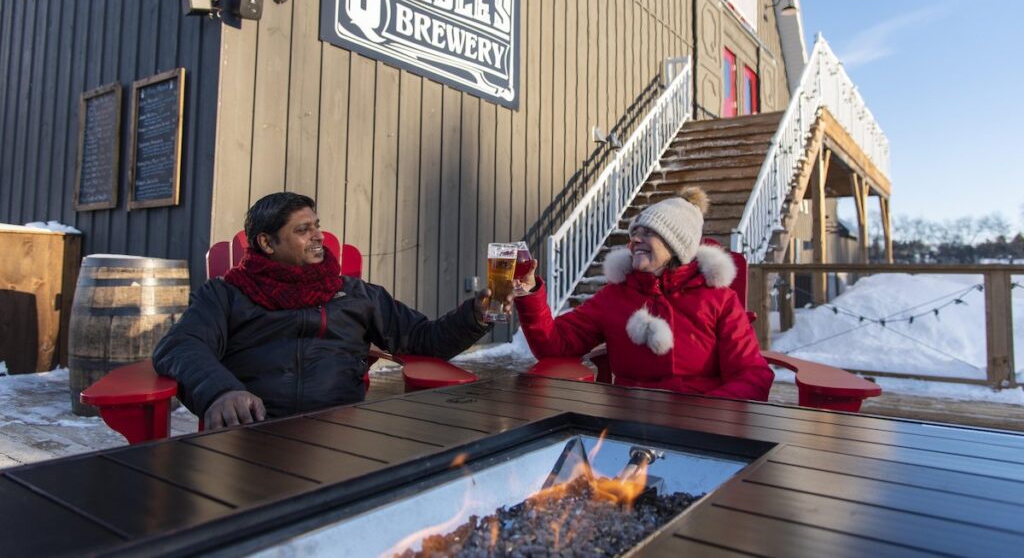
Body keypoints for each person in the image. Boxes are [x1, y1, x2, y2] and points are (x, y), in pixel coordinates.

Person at [153, 192, 504, 429]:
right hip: (256, 429)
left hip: (340, 430)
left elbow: (423, 339)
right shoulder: (226, 294)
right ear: (266, 243)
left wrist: (476, 314)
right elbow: (181, 346)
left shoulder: (355, 294)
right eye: (303, 230)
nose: (318, 236)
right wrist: (220, 391)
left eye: (317, 226)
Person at [513, 187, 773, 400]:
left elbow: (751, 374)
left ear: (676, 246)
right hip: (629, 422)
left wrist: (710, 415)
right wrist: (531, 293)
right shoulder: (614, 297)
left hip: (700, 424)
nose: (635, 240)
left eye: (648, 233)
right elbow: (554, 345)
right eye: (634, 233)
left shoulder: (718, 300)